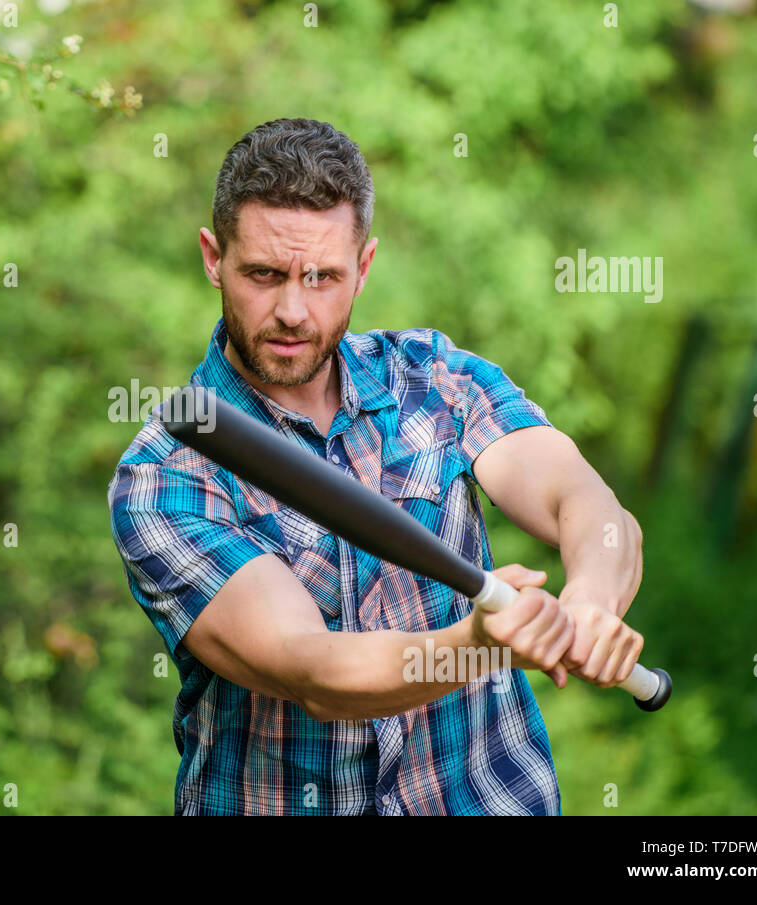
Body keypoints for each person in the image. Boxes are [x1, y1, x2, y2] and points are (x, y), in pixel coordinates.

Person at [107, 118, 645, 815]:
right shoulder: (166, 473)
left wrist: (589, 607)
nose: (293, 310)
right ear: (214, 257)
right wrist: (474, 645)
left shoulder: (436, 376)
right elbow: (313, 670)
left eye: (324, 276)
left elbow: (588, 504)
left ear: (363, 266)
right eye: (264, 274)